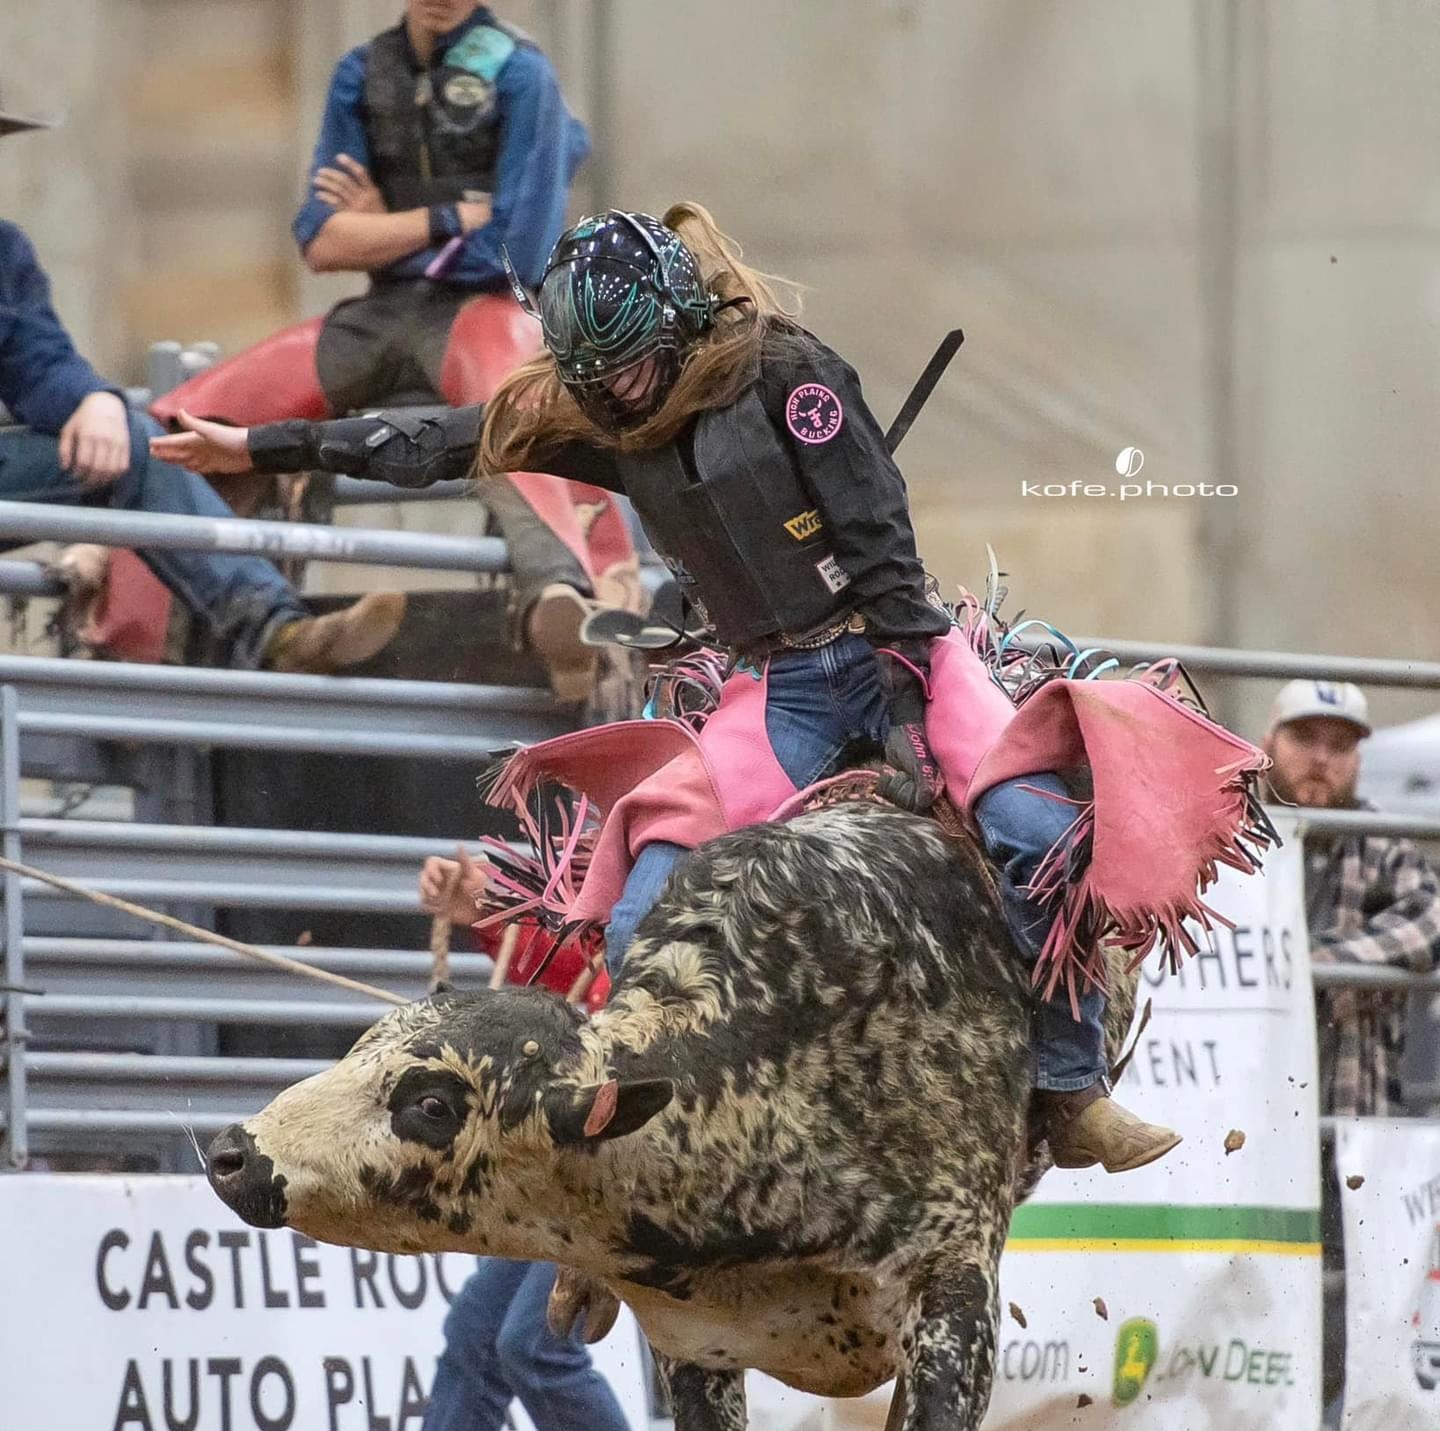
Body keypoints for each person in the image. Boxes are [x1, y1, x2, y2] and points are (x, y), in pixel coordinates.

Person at [154, 204, 1198, 1175]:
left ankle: (1071, 1086)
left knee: (1030, 823)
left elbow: (879, 541)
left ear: (682, 328)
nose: (617, 398)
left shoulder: (793, 378)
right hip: (779, 684)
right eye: (597, 380)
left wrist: (911, 690)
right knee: (644, 900)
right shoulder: (607, 410)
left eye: (632, 372)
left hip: (902, 649)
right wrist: (259, 442)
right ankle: (641, 1155)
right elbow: (439, 438)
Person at [151, 1, 640, 704]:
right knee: (195, 415)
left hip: (483, 312)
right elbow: (320, 240)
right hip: (378, 314)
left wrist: (380, 225)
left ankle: (558, 598)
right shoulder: (362, 73)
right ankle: (146, 628)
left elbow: (517, 248)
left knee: (518, 407)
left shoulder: (523, 75)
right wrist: (450, 216)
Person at [285, 847, 681, 1431]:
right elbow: (593, 975)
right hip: (579, 1138)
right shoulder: (662, 836)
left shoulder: (666, 842)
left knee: (532, 1345)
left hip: (619, 1139)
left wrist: (493, 914)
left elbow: (609, 981)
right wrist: (488, 914)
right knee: (485, 1339)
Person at [0, 98, 401, 671]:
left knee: (142, 445)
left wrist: (93, 401)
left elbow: (38, 361)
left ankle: (275, 634)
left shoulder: (2, 251)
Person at [1267, 678, 1440, 1431]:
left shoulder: (1387, 840)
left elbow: (1425, 927)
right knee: (1270, 1312)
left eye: (1340, 742)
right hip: (1255, 1133)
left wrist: (1299, 970)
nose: (1322, 757)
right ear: (1275, 739)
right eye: (1307, 737)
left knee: (1373, 1320)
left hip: (1353, 1125)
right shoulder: (1247, 840)